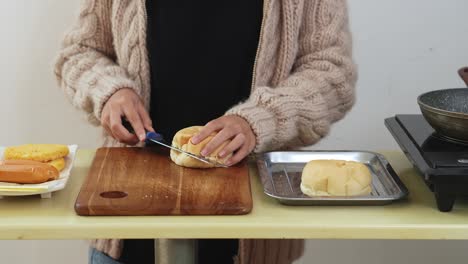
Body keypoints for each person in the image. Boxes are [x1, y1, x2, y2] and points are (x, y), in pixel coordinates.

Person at [54, 0, 357, 263]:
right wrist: (110, 92)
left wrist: (261, 119)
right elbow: (80, 52)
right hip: (126, 223)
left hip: (252, 234)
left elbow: (331, 72)